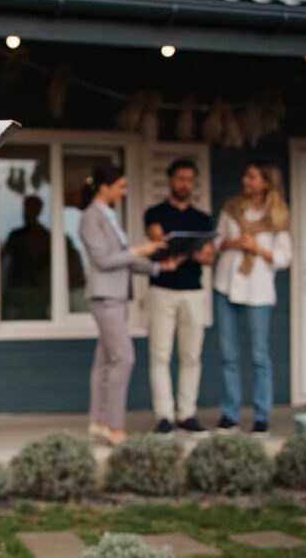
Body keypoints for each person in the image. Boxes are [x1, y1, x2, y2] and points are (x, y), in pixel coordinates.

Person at [79, 165, 181, 446]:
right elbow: (103, 260)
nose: (124, 192)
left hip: (118, 296)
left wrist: (158, 266)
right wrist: (139, 249)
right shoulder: (90, 217)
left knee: (105, 361)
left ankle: (99, 422)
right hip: (105, 296)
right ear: (104, 187)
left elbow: (123, 259)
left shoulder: (110, 216)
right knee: (124, 358)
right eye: (121, 187)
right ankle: (115, 427)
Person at [214, 161, 292, 435]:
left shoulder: (278, 215)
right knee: (229, 355)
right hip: (226, 285)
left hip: (258, 291)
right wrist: (235, 243)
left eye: (252, 177)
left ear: (266, 182)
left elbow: (284, 257)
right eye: (245, 176)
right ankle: (230, 414)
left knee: (259, 356)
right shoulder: (231, 208)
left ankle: (261, 416)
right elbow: (217, 242)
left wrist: (257, 248)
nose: (246, 181)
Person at [144, 159, 215, 435]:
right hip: (162, 290)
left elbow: (208, 256)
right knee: (160, 353)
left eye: (190, 180)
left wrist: (193, 252)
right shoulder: (155, 213)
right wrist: (183, 250)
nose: (185, 184)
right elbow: (158, 243)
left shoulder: (202, 219)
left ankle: (187, 414)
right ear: (170, 180)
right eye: (180, 178)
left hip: (193, 291)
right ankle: (164, 415)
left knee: (191, 355)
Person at [2, 195, 51, 319]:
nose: (26, 212)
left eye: (30, 208)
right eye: (26, 208)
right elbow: (2, 261)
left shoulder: (45, 236)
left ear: (38, 211)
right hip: (16, 288)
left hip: (37, 291)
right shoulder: (15, 235)